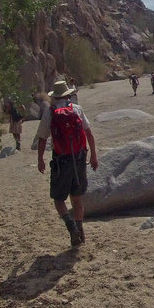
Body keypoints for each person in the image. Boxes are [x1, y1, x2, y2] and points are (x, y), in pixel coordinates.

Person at [37, 79, 99, 247]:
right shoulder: (77, 109)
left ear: (54, 97)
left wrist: (40, 160)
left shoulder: (50, 113)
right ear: (67, 94)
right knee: (77, 199)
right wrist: (93, 156)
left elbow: (42, 139)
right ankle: (80, 230)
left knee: (58, 200)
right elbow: (89, 134)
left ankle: (72, 228)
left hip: (61, 161)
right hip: (79, 158)